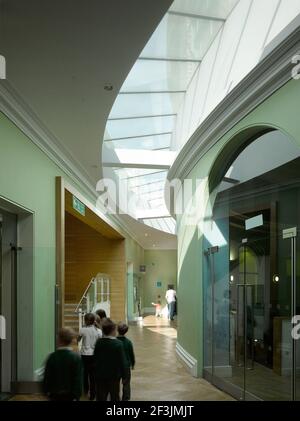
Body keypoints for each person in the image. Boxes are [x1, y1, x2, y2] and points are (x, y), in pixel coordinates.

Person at [43, 328, 82, 401]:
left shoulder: (52, 357)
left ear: (59, 340)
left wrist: (46, 391)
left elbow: (47, 376)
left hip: (54, 394)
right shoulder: (76, 358)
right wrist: (77, 395)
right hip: (70, 395)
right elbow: (78, 379)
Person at [94, 318, 127, 401]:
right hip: (114, 376)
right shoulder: (118, 344)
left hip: (100, 375)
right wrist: (124, 376)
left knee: (101, 397)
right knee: (115, 396)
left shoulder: (99, 342)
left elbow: (95, 358)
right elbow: (122, 362)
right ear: (113, 331)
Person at [78, 312, 102, 400]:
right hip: (94, 355)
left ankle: (85, 390)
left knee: (85, 373)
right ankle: (93, 394)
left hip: (84, 354)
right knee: (93, 375)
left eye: (85, 320)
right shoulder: (98, 331)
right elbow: (101, 339)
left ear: (87, 321)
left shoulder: (82, 330)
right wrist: (98, 326)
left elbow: (78, 339)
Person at [117, 322, 135, 401]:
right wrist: (133, 363)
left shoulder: (115, 341)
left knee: (115, 383)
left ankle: (115, 397)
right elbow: (131, 354)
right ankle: (126, 398)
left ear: (117, 330)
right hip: (126, 366)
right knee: (126, 383)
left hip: (116, 366)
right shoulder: (128, 342)